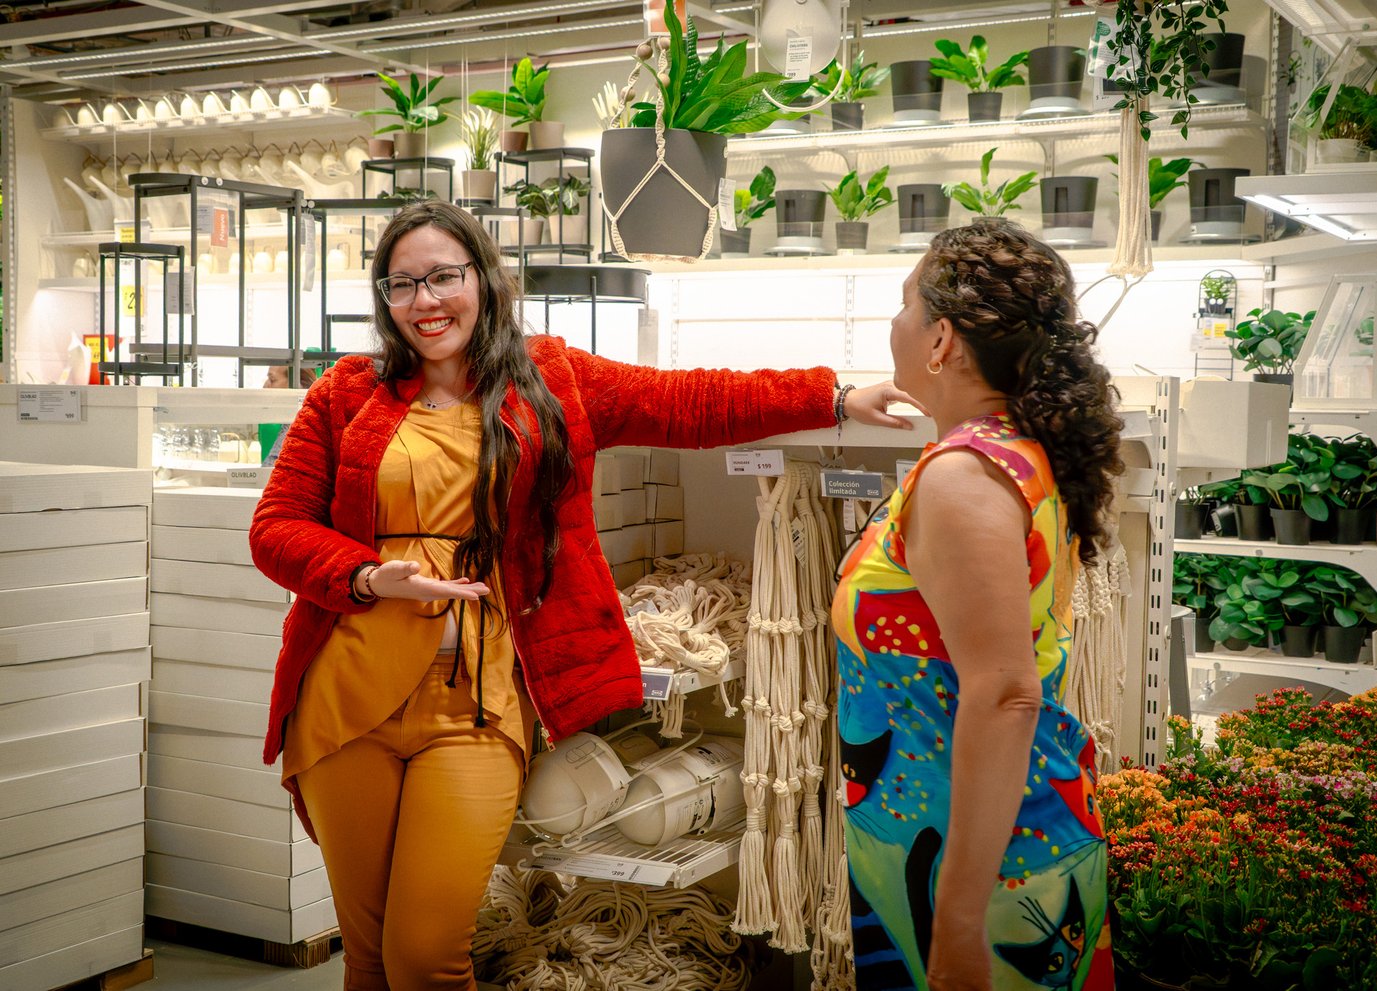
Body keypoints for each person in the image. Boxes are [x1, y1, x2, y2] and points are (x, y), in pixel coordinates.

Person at [249, 199, 919, 990]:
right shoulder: (345, 392)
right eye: (402, 284)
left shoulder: (551, 379)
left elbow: (688, 402)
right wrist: (365, 575)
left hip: (475, 709)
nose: (425, 300)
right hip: (345, 700)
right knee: (366, 960)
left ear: (483, 279)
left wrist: (831, 397)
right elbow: (276, 526)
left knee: (425, 958)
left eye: (443, 277)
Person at [833, 220, 1122, 991]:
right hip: (972, 846)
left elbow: (1004, 694)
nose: (893, 321)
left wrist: (958, 920)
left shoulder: (962, 477)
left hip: (987, 880)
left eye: (906, 303)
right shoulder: (1010, 451)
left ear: (941, 342)